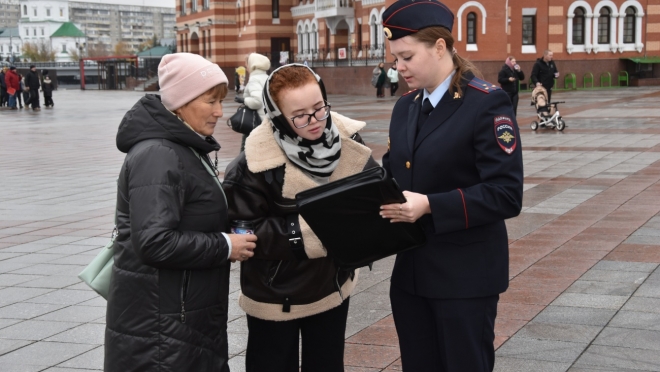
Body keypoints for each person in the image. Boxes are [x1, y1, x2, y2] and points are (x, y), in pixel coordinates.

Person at [379, 1, 524, 371]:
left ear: (440, 47)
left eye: (407, 56)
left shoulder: (487, 105)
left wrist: (430, 205)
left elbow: (506, 194)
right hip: (412, 276)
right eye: (395, 58)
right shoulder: (406, 106)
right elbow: (394, 174)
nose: (399, 67)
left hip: (465, 278)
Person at [105, 53, 258, 372]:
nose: (219, 111)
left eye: (221, 101)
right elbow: (154, 242)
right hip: (163, 325)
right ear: (180, 101)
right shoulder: (159, 154)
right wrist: (226, 245)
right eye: (210, 101)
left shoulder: (181, 146)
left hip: (179, 314)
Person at [223, 64, 379, 372]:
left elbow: (374, 192)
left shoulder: (348, 141)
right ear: (277, 115)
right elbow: (243, 230)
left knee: (327, 364)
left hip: (333, 287)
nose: (315, 121)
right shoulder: (253, 163)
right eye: (300, 116)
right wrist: (311, 233)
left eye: (320, 108)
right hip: (274, 295)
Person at [240, 52, 269, 151]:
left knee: (246, 152)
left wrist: (244, 100)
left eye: (247, 64)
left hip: (256, 121)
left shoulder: (254, 79)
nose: (246, 67)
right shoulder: (267, 78)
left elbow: (257, 101)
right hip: (267, 120)